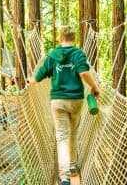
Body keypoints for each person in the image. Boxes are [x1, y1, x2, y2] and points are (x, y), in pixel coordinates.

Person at [30, 26, 100, 185]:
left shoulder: (52, 56)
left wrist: (29, 81)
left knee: (61, 136)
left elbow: (37, 78)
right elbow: (84, 73)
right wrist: (95, 87)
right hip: (75, 100)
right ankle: (72, 166)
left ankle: (65, 177)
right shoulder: (78, 54)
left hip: (58, 101)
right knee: (73, 134)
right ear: (73, 38)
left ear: (60, 38)